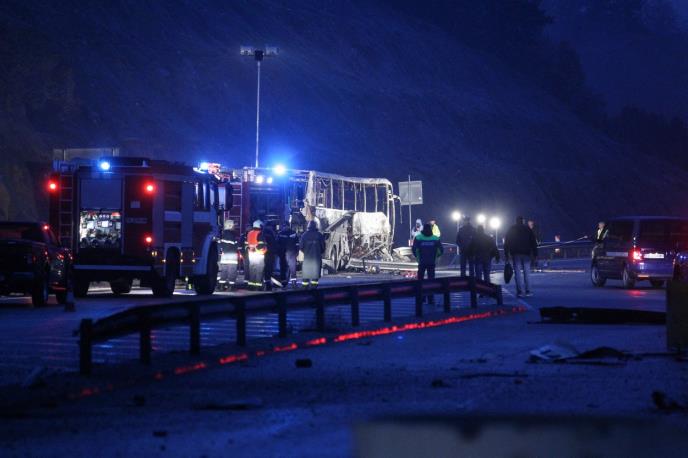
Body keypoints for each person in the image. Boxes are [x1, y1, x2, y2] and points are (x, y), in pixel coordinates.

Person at [504, 216, 538, 297]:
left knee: (517, 273)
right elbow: (533, 242)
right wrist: (535, 254)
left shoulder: (512, 229)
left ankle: (519, 292)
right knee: (527, 273)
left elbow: (507, 242)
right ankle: (528, 291)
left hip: (516, 254)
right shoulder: (528, 229)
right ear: (523, 221)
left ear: (516, 221)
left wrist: (506, 254)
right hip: (526, 254)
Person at [412, 223, 444, 304]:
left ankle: (421, 298)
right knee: (431, 281)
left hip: (421, 262)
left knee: (420, 281)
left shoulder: (418, 237)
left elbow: (414, 249)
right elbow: (441, 250)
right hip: (431, 262)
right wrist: (435, 256)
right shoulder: (435, 238)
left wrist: (417, 257)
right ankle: (431, 299)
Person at [300, 220, 326, 287]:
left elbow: (301, 247)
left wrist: (306, 252)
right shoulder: (319, 235)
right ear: (315, 226)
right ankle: (314, 289)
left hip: (307, 259)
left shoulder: (304, 235)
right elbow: (323, 247)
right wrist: (319, 252)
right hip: (316, 259)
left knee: (306, 276)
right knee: (315, 277)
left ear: (308, 226)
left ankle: (304, 288)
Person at [245, 220, 266, 290]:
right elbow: (261, 245)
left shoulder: (249, 233)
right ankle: (258, 286)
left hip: (251, 254)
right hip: (259, 254)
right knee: (259, 270)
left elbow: (248, 243)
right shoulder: (260, 233)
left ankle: (251, 285)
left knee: (252, 270)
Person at [277, 222, 299, 287]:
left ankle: (285, 283)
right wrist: (296, 252)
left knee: (285, 268)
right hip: (290, 253)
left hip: (285, 253)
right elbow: (297, 244)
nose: (285, 227)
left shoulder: (280, 234)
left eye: (285, 226)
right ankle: (292, 283)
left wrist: (279, 253)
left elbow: (277, 244)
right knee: (291, 268)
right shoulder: (293, 233)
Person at [262, 221, 279, 290]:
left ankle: (266, 283)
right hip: (270, 253)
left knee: (266, 269)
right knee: (269, 269)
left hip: (265, 253)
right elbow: (274, 243)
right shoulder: (270, 233)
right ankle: (268, 284)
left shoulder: (263, 232)